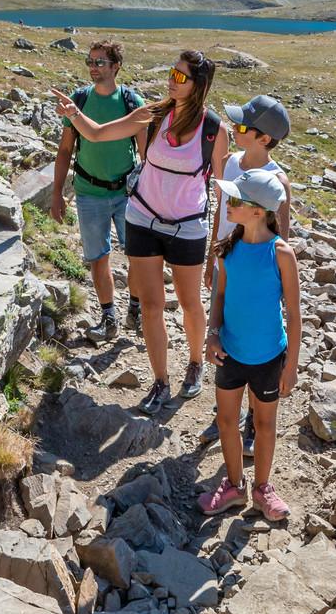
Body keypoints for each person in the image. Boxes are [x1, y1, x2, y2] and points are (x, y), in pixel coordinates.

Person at [54, 50, 227, 414]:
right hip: (144, 219)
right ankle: (160, 381)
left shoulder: (214, 131)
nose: (171, 81)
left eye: (179, 77)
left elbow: (224, 193)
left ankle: (195, 363)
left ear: (198, 86)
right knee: (150, 305)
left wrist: (218, 246)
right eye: (171, 73)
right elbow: (98, 134)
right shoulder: (154, 113)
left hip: (187, 225)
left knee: (190, 302)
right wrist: (74, 114)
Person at [196, 168, 301, 523]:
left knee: (265, 423)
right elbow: (219, 296)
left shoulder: (281, 253)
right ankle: (235, 485)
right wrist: (212, 334)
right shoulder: (228, 248)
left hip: (269, 355)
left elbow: (294, 313)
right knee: (227, 421)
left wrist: (291, 366)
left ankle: (262, 489)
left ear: (258, 211)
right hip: (230, 351)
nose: (227, 203)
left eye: (236, 200)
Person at [201, 94, 292, 452]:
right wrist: (212, 259)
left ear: (264, 138)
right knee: (224, 335)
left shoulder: (277, 181)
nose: (234, 130)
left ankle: (254, 419)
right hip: (227, 264)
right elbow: (221, 214)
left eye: (242, 127)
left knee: (255, 347)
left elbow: (281, 237)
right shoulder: (228, 162)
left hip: (257, 276)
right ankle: (226, 410)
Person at [50, 41, 146, 341]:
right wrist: (56, 193)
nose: (93, 67)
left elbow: (146, 156)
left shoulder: (131, 101)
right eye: (90, 62)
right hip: (89, 192)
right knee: (98, 257)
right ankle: (109, 317)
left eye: (100, 62)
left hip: (127, 193)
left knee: (138, 256)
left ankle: (135, 309)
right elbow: (65, 150)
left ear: (116, 66)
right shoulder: (78, 101)